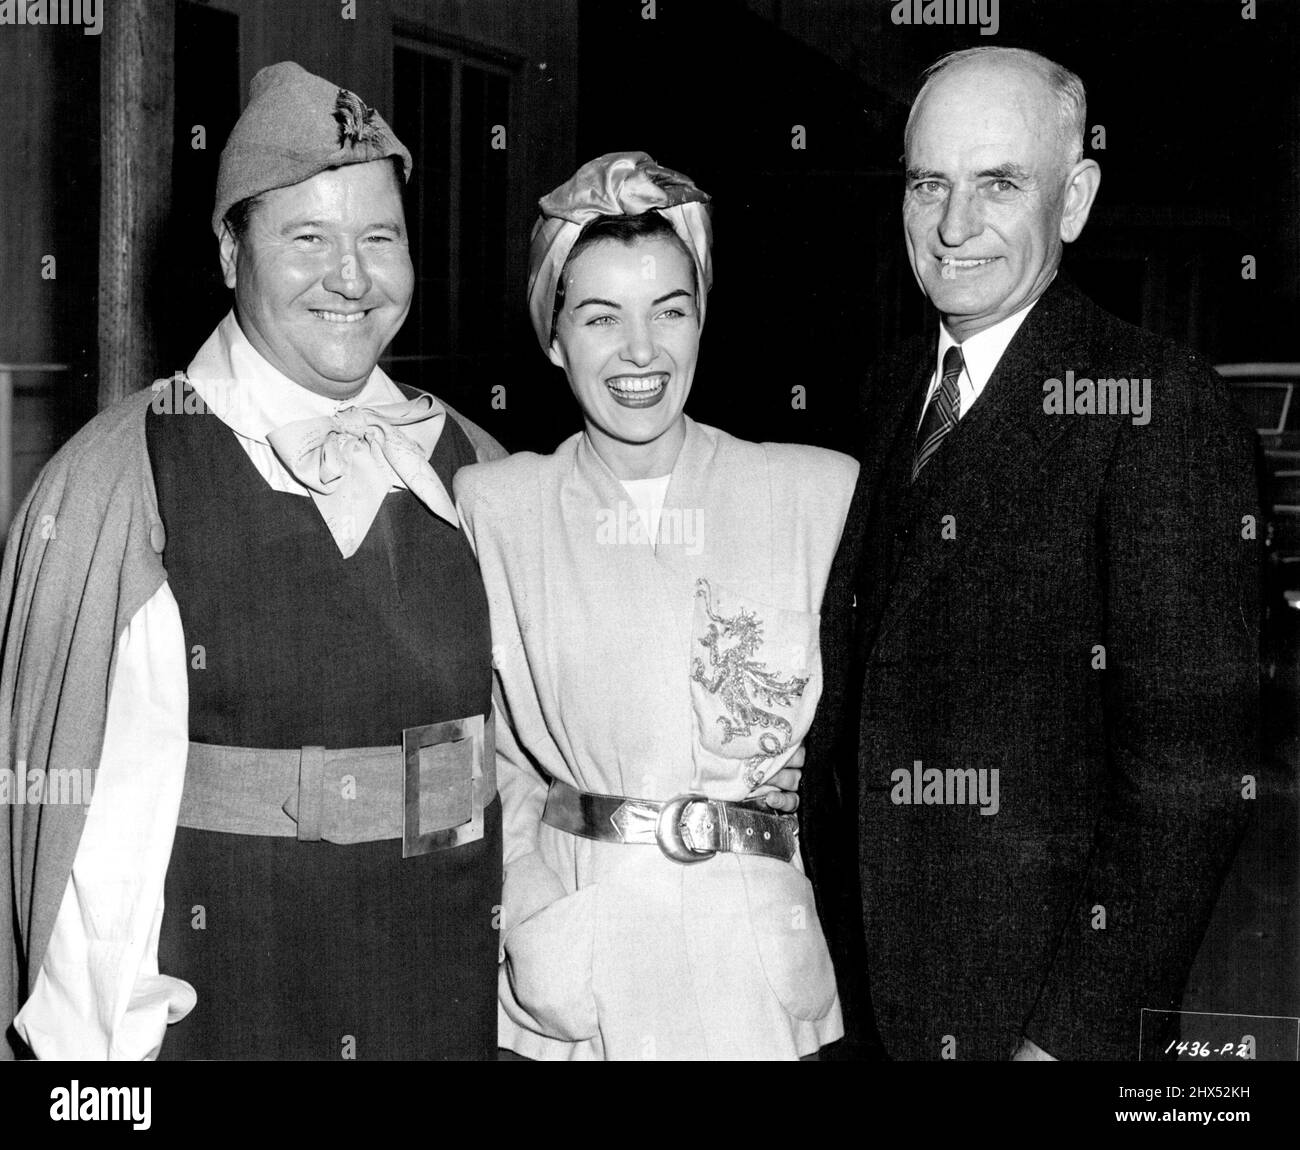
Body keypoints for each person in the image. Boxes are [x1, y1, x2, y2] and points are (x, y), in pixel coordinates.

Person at [0, 62, 506, 1060]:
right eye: (307, 239)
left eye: (379, 238)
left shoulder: (477, 467)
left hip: (445, 998)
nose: (351, 277)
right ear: (231, 251)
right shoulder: (123, 478)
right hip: (232, 1012)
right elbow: (85, 841)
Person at [801, 46, 1260, 1061]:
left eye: (998, 183)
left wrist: (1067, 1039)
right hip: (870, 999)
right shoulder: (887, 389)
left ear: (1074, 199)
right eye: (929, 184)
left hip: (1033, 1019)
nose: (953, 227)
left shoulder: (1155, 407)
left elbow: (1190, 783)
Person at [454, 152, 857, 1060]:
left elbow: (889, 729)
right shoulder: (495, 509)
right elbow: (481, 759)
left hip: (756, 975)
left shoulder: (814, 495)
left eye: (670, 311)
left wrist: (810, 779)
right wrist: (531, 910)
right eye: (601, 318)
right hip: (583, 975)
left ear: (702, 319)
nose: (641, 351)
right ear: (554, 337)